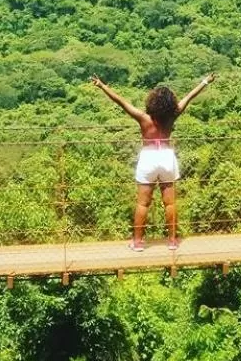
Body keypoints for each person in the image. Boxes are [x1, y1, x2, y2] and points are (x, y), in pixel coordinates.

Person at [91, 74, 215, 251]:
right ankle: (172, 241)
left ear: (152, 102)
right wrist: (204, 81)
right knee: (170, 203)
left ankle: (138, 242)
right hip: (166, 156)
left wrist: (101, 85)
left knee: (143, 203)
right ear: (170, 102)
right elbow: (190, 96)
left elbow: (120, 101)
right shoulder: (173, 115)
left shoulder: (143, 118)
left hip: (148, 157)